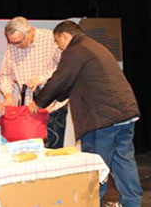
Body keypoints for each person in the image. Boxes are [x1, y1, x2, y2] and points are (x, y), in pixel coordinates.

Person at [29, 20, 143, 207]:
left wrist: (38, 102)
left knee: (94, 166)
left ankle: (92, 203)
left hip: (103, 118)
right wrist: (57, 99)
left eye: (58, 42)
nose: (59, 48)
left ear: (66, 36)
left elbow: (60, 79)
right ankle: (133, 203)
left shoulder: (75, 50)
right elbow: (75, 83)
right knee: (124, 161)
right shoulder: (95, 47)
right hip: (125, 114)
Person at [0, 16, 66, 148]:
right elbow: (5, 74)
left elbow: (64, 68)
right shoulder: (12, 46)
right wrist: (8, 94)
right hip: (26, 107)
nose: (16, 46)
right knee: (28, 151)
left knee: (52, 152)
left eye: (19, 42)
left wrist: (40, 78)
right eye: (12, 42)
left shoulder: (50, 39)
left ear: (29, 32)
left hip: (51, 106)